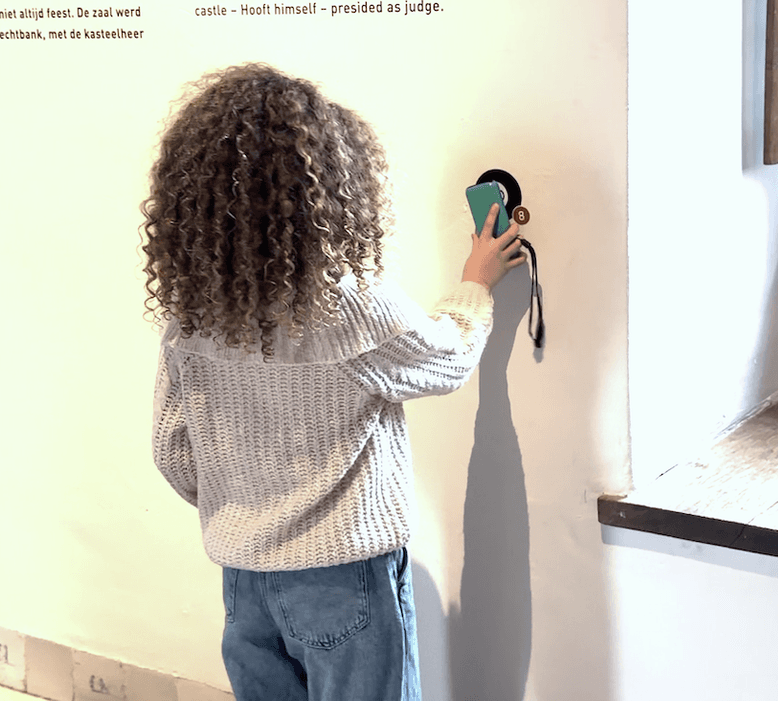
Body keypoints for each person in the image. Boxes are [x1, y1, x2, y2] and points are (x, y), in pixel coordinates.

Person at [142, 64, 525, 701]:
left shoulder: (194, 314)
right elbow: (448, 359)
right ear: (327, 186)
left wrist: (249, 512)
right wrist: (475, 283)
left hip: (243, 577)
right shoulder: (343, 306)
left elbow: (173, 449)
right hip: (344, 573)